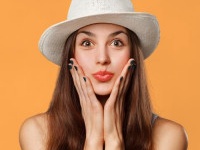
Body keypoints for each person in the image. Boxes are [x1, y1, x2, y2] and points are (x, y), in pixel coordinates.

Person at [19, 0, 188, 149]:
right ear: (71, 56)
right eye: (87, 43)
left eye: (116, 43)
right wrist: (93, 141)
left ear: (133, 56)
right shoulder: (38, 132)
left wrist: (114, 141)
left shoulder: (169, 136)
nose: (102, 58)